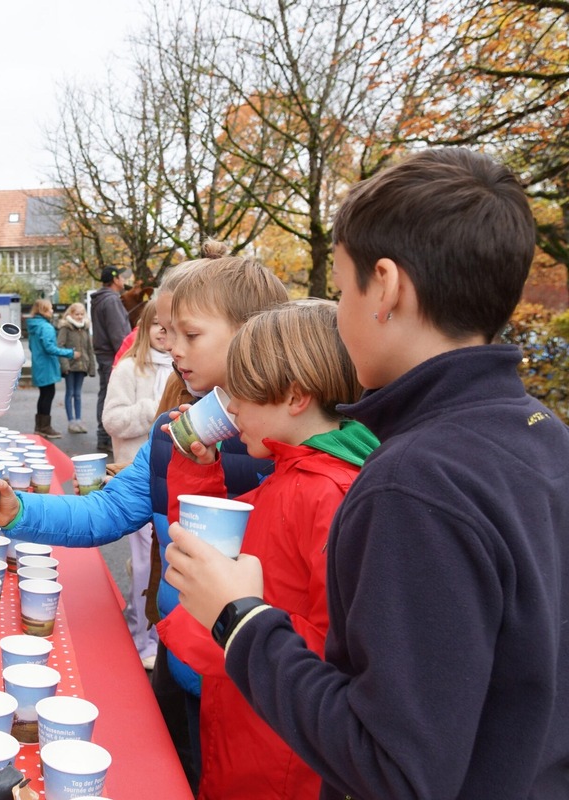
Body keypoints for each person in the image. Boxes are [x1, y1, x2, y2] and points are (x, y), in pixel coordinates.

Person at [164, 149, 569, 799]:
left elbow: (393, 764)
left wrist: (238, 620)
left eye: (344, 286)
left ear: (384, 286)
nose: (336, 312)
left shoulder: (416, 483)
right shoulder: (545, 439)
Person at [0, 247, 285, 789]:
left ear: (255, 334)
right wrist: (21, 510)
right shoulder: (174, 431)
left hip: (252, 688)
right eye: (169, 331)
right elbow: (107, 510)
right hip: (180, 660)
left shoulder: (285, 446)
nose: (170, 346)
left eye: (189, 334)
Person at [158, 299, 377, 799]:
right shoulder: (292, 477)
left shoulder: (329, 495)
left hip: (281, 751)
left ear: (296, 396)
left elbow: (341, 650)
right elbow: (208, 550)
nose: (229, 408)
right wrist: (198, 468)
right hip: (249, 720)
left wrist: (237, 616)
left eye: (242, 393)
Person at [101, 301, 176, 668]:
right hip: (136, 473)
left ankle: (157, 628)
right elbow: (112, 420)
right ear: (144, 327)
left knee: (159, 562)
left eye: (170, 325)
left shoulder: (183, 369)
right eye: (156, 325)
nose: (163, 332)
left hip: (172, 477)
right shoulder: (130, 368)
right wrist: (153, 410)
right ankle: (139, 635)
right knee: (144, 562)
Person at [90, 265, 132, 454]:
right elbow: (119, 334)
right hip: (114, 356)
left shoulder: (100, 299)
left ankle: (102, 436)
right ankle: (105, 437)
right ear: (115, 280)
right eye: (122, 277)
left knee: (105, 393)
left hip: (104, 354)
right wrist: (128, 355)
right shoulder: (112, 301)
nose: (124, 281)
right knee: (111, 394)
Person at [27, 298, 76, 438]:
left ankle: (40, 426)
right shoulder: (46, 327)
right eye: (50, 308)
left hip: (39, 364)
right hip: (47, 366)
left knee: (44, 395)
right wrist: (70, 353)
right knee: (48, 395)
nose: (52, 311)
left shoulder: (34, 326)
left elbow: (32, 346)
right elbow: (51, 348)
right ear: (43, 310)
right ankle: (45, 427)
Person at [57, 301, 95, 434]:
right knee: (70, 393)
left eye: (81, 314)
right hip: (70, 366)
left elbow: (89, 349)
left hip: (82, 366)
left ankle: (78, 420)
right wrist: (65, 365)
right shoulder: (65, 328)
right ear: (71, 314)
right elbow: (60, 346)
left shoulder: (85, 328)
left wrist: (91, 367)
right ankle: (71, 421)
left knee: (78, 394)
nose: (79, 316)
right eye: (77, 314)